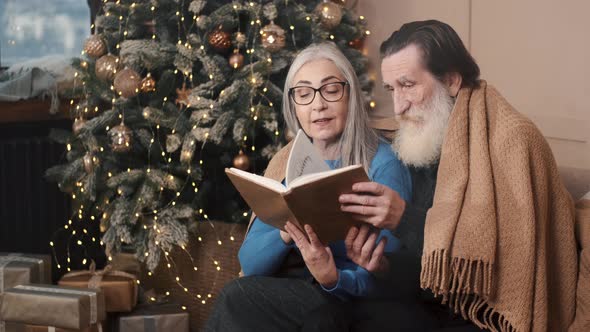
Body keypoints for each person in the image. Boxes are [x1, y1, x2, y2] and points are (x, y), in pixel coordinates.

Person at [336, 20, 578, 331]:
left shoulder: (514, 139)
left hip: (489, 315)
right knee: (329, 318)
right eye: (391, 89)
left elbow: (509, 269)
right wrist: (383, 267)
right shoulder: (419, 142)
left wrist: (403, 218)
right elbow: (433, 275)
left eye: (408, 85)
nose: (398, 106)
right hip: (433, 305)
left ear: (451, 81)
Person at [204, 42, 412, 332]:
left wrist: (334, 278)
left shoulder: (383, 163)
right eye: (303, 94)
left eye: (330, 90)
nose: (318, 104)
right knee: (239, 295)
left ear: (349, 95)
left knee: (237, 299)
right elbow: (249, 266)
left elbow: (391, 269)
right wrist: (285, 228)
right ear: (294, 107)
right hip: (306, 288)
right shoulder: (294, 164)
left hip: (356, 300)